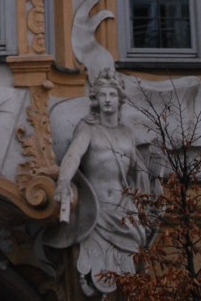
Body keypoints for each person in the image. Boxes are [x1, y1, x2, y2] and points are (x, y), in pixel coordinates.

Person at [54, 70, 147, 295]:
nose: (107, 99)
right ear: (95, 99)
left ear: (120, 99)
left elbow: (138, 171)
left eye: (112, 95)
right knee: (94, 266)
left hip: (125, 211)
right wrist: (63, 181)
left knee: (133, 262)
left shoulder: (127, 133)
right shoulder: (87, 128)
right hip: (98, 211)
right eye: (103, 94)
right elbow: (73, 155)